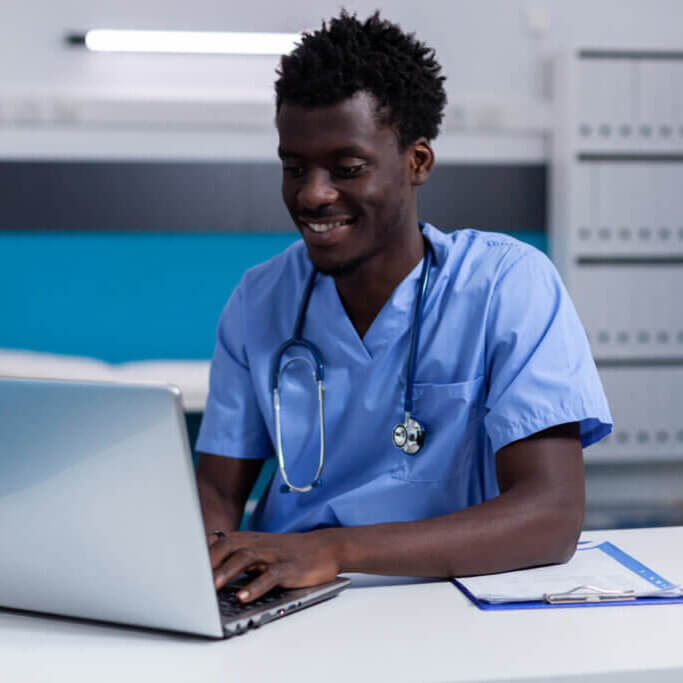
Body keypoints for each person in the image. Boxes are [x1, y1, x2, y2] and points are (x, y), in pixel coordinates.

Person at [195, 11, 612, 604]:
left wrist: (333, 549)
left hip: (452, 596)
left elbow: (549, 516)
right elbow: (216, 492)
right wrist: (205, 566)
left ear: (417, 163)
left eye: (347, 168)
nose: (313, 193)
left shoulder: (505, 285)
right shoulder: (260, 300)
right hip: (287, 600)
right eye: (294, 167)